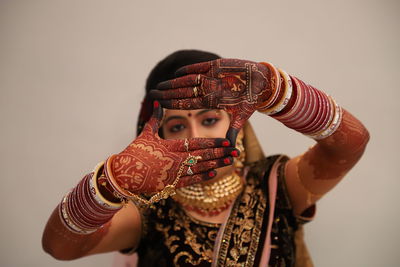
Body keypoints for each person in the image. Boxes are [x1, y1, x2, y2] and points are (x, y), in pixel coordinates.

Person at [42, 50, 370, 266]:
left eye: (210, 120)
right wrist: (110, 181)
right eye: (176, 125)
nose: (194, 136)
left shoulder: (276, 185)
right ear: (157, 138)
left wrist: (278, 91)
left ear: (237, 125)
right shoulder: (147, 212)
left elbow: (350, 144)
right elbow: (61, 247)